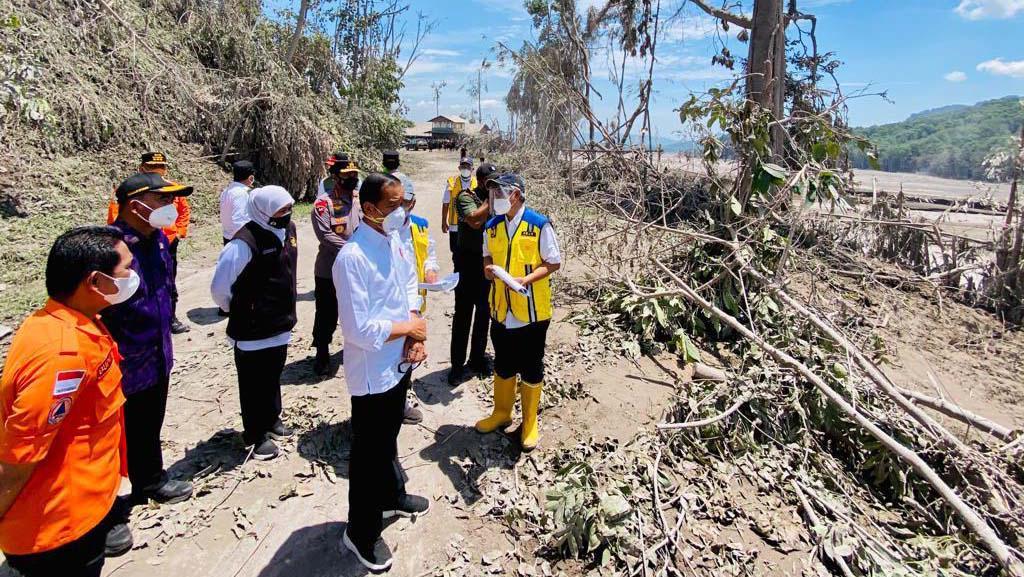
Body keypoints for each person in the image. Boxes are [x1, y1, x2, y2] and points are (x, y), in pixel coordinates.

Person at [0, 226, 136, 577]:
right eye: (125, 270)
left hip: (85, 503)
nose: (133, 277)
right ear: (95, 282)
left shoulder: (73, 321)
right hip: (63, 526)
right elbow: (19, 458)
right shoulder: (63, 356)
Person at [334, 173, 430, 572]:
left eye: (404, 203)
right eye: (393, 206)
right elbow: (359, 330)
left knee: (389, 438)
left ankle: (391, 497)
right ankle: (361, 533)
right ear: (370, 209)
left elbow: (408, 284)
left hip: (399, 361)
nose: (402, 212)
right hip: (373, 372)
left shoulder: (393, 239)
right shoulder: (351, 258)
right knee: (369, 455)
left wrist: (413, 329)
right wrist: (409, 329)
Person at [105, 172, 194, 503]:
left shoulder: (158, 239)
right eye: (163, 199)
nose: (171, 206)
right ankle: (108, 505)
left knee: (147, 424)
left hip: (157, 353)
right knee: (115, 434)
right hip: (123, 360)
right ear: (134, 205)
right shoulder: (110, 248)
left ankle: (150, 481)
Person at [210, 186, 297, 461]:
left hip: (280, 324)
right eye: (280, 210)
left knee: (272, 377)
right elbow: (220, 288)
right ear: (263, 211)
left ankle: (272, 420)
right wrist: (238, 309)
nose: (286, 214)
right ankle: (255, 435)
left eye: (288, 208)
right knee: (252, 384)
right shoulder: (243, 243)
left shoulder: (289, 230)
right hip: (252, 329)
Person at [476, 173, 561, 452]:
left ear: (516, 195)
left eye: (499, 193)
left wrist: (526, 280)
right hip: (501, 306)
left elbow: (553, 262)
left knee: (531, 365)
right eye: (493, 194)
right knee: (503, 362)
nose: (495, 199)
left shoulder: (539, 224)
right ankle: (502, 413)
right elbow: (487, 254)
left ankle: (529, 423)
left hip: (532, 310)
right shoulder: (492, 226)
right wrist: (488, 268)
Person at [107, 152, 191, 334]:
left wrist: (178, 233)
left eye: (160, 168)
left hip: (167, 241)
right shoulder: (130, 191)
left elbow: (184, 211)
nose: (157, 171)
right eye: (152, 168)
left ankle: (169, 318)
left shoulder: (170, 188)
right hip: (134, 349)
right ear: (142, 168)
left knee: (166, 282)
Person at [311, 155, 361, 376]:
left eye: (354, 175)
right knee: (326, 313)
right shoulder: (323, 204)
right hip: (330, 269)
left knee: (357, 311)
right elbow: (325, 235)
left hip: (358, 270)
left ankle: (357, 350)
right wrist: (353, 250)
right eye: (346, 175)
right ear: (335, 177)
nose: (352, 179)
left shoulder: (362, 199)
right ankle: (322, 352)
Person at [395, 175, 438, 425]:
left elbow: (430, 253)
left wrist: (431, 270)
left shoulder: (420, 225)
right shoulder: (381, 228)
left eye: (406, 202)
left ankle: (401, 402)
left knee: (409, 355)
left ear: (413, 202)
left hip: (415, 303)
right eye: (397, 202)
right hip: (390, 308)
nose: (402, 208)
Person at [448, 162, 496, 386]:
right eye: (490, 183)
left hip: (486, 263)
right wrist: (491, 202)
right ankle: (457, 366)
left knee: (484, 314)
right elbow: (474, 221)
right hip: (467, 262)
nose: (494, 187)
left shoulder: (498, 202)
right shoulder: (465, 197)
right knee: (463, 315)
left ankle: (477, 359)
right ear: (482, 182)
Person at [441, 157, 476, 271]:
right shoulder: (452, 181)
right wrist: (443, 221)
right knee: (455, 251)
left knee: (470, 250)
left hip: (471, 224)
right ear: (459, 168)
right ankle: (457, 273)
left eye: (467, 167)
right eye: (463, 166)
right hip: (454, 225)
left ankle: (467, 273)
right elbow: (446, 203)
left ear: (472, 169)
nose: (465, 169)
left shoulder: (476, 182)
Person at [220, 160, 255, 245]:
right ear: (251, 178)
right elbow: (239, 220)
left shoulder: (226, 191)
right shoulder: (243, 193)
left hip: (228, 236)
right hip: (239, 240)